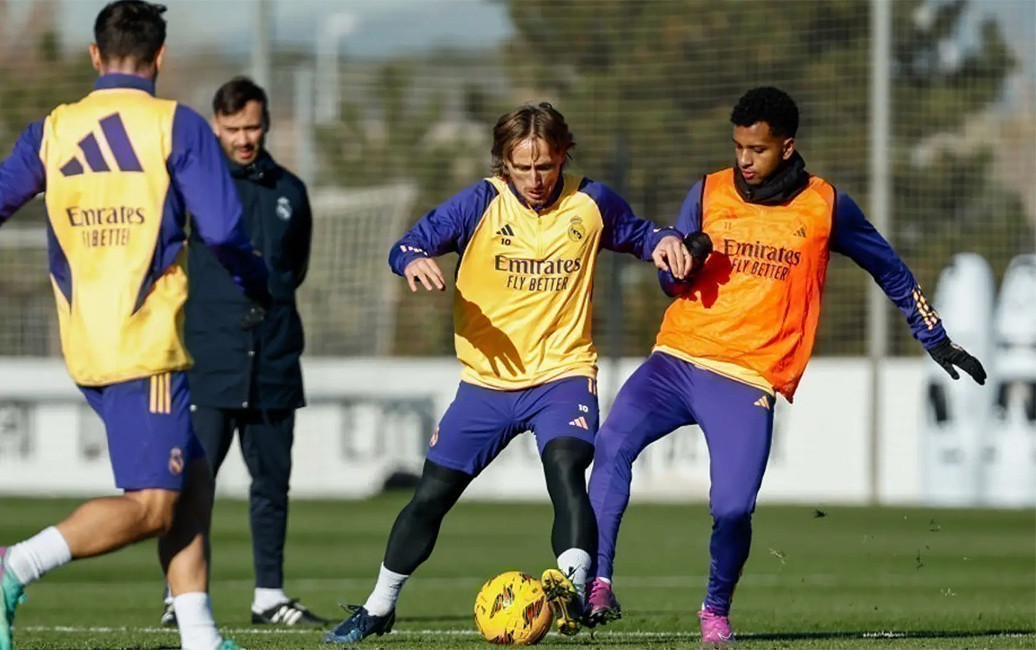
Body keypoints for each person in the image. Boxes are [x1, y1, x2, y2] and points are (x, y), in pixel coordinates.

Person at [0, 3, 271, 649]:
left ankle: (199, 634)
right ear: (159, 58)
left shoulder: (54, 129)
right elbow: (223, 230)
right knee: (155, 505)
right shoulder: (175, 126)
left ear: (95, 57)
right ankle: (13, 564)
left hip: (84, 342)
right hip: (145, 343)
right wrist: (255, 283)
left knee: (197, 472)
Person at [583, 86, 987, 644]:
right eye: (738, 147)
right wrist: (684, 261)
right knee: (611, 445)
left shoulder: (825, 206)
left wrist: (934, 337)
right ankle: (598, 583)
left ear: (788, 146)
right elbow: (668, 279)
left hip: (748, 379)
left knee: (731, 509)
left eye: (757, 149)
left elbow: (890, 269)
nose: (743, 160)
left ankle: (714, 612)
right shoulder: (707, 190)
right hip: (675, 360)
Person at [323, 102, 694, 644]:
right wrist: (414, 261)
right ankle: (380, 606)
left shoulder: (590, 203)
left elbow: (638, 234)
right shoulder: (480, 202)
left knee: (567, 467)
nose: (535, 178)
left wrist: (662, 240)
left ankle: (569, 594)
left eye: (545, 165)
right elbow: (407, 243)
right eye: (522, 167)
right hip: (485, 384)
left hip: (562, 375)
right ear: (503, 162)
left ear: (563, 154)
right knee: (431, 496)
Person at [158, 76, 323, 628]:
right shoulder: (194, 187)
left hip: (274, 361)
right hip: (209, 361)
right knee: (192, 484)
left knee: (272, 486)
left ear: (267, 122)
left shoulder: (291, 192)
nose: (244, 138)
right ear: (216, 128)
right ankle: (178, 596)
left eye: (252, 126)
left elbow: (293, 269)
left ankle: (269, 596)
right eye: (232, 129)